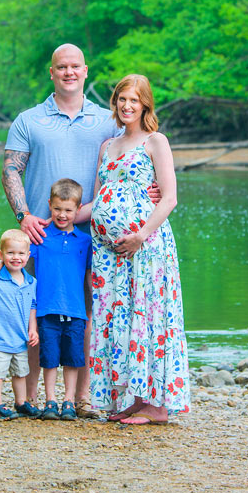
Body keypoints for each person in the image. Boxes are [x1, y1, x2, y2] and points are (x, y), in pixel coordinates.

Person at [0, 43, 120, 417]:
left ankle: (80, 398)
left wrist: (153, 187)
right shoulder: (29, 120)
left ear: (85, 71)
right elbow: (10, 170)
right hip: (41, 238)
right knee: (37, 312)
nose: (68, 72)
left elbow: (132, 160)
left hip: (94, 236)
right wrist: (24, 216)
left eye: (75, 66)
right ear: (52, 73)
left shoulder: (107, 120)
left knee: (87, 314)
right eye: (61, 67)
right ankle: (31, 397)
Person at [88, 75, 190, 424]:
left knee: (149, 316)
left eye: (134, 100)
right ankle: (135, 397)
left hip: (146, 248)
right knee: (122, 318)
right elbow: (99, 198)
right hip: (110, 254)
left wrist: (141, 233)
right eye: (121, 99)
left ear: (146, 104)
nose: (127, 106)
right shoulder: (107, 146)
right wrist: (57, 218)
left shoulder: (155, 141)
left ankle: (158, 406)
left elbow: (170, 197)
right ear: (114, 103)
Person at [30, 178, 92, 421]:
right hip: (47, 309)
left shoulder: (85, 241)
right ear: (49, 205)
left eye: (68, 210)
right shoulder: (40, 237)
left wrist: (92, 308)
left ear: (78, 210)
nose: (62, 215)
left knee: (73, 358)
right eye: (57, 209)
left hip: (76, 311)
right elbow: (19, 260)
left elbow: (89, 278)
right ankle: (50, 401)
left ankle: (69, 400)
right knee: (50, 358)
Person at [0, 229, 41, 421]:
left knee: (20, 372)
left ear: (28, 255)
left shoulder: (31, 282)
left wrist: (32, 329)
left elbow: (32, 306)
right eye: (10, 253)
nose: (15, 257)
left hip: (20, 338)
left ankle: (21, 403)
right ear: (1, 255)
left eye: (21, 253)